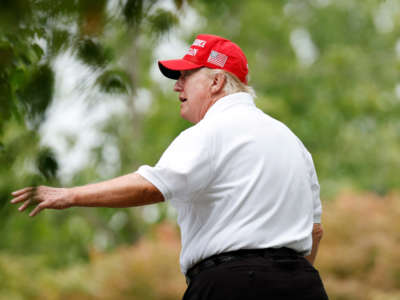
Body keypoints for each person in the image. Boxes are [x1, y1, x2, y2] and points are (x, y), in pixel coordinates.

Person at [11, 34, 328, 299]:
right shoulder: (293, 142)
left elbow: (152, 186)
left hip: (232, 286)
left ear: (217, 81)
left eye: (186, 76)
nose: (178, 86)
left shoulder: (210, 132)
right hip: (303, 286)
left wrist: (70, 195)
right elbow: (315, 231)